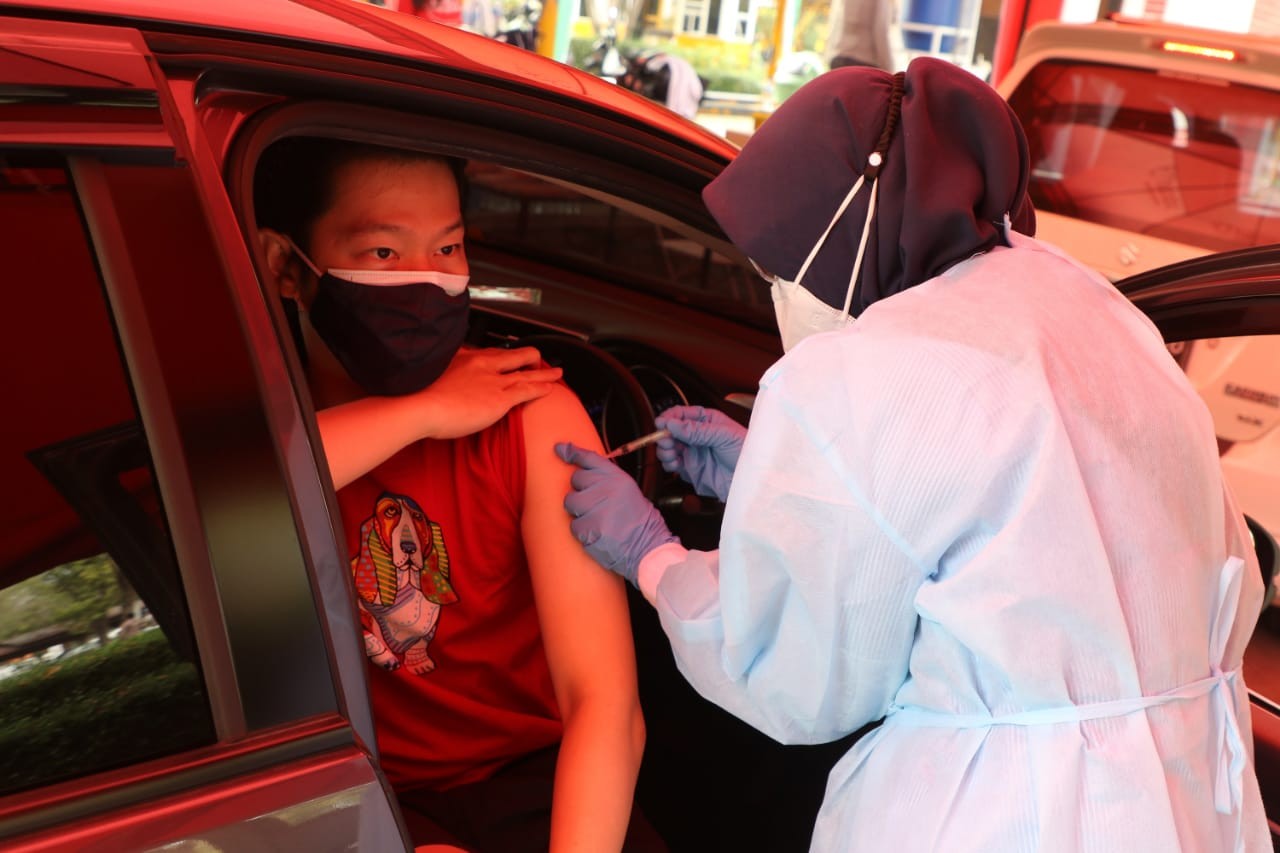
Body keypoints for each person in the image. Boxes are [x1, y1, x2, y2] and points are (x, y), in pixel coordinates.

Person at [556, 58, 1270, 851]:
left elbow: (794, 674)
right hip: (1189, 794)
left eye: (778, 269)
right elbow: (1015, 515)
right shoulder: (1087, 305)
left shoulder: (862, 376)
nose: (776, 293)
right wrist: (775, 474)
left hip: (1010, 814)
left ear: (840, 235)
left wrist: (655, 558)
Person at [253, 137, 658, 852]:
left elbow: (605, 706)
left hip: (537, 786)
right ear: (287, 266)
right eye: (384, 253)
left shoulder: (530, 413)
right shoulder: (252, 419)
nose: (425, 281)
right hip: (353, 801)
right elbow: (235, 504)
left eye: (447, 249)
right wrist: (419, 412)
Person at [824, 0, 899, 71]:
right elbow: (881, 33)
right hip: (863, 62)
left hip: (838, 59)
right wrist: (890, 70)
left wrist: (828, 56)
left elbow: (834, 24)